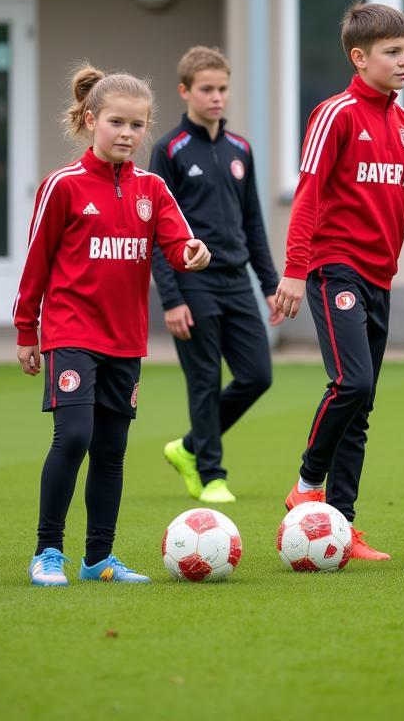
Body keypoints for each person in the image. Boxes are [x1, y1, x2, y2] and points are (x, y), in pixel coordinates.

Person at [274, 1, 404, 560]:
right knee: (352, 384)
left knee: (361, 408)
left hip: (379, 278)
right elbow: (309, 192)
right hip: (332, 266)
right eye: (393, 52)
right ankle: (307, 486)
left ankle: (340, 525)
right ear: (360, 59)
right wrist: (293, 270)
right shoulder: (335, 115)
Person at [14, 66, 211, 587]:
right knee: (74, 435)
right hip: (70, 333)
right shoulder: (62, 187)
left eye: (137, 125)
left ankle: (98, 558)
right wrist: (24, 330)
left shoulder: (153, 189)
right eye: (116, 122)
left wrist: (193, 252)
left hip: (125, 341)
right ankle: (47, 552)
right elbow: (35, 262)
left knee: (110, 449)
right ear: (90, 119)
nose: (127, 133)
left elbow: (178, 242)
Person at [149, 46, 282, 505]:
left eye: (223, 89)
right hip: (192, 282)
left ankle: (187, 447)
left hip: (237, 282)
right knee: (204, 379)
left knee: (257, 375)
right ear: (185, 91)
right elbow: (153, 230)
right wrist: (171, 298)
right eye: (207, 89)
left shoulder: (240, 148)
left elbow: (254, 223)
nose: (216, 97)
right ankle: (211, 474)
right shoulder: (169, 150)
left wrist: (269, 286)